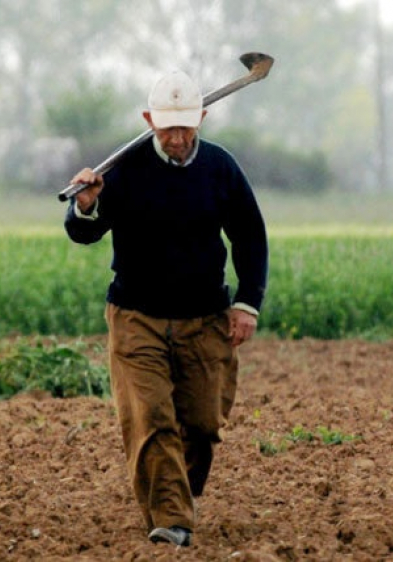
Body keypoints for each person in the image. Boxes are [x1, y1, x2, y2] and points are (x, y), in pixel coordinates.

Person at [63, 69, 268, 547]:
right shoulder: (124, 171)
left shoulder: (221, 169)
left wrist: (247, 304)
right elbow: (84, 232)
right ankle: (172, 520)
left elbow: (250, 237)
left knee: (200, 425)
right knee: (151, 418)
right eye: (167, 128)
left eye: (186, 127)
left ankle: (174, 495)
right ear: (148, 119)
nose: (177, 138)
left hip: (204, 319)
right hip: (137, 317)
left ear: (202, 117)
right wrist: (86, 205)